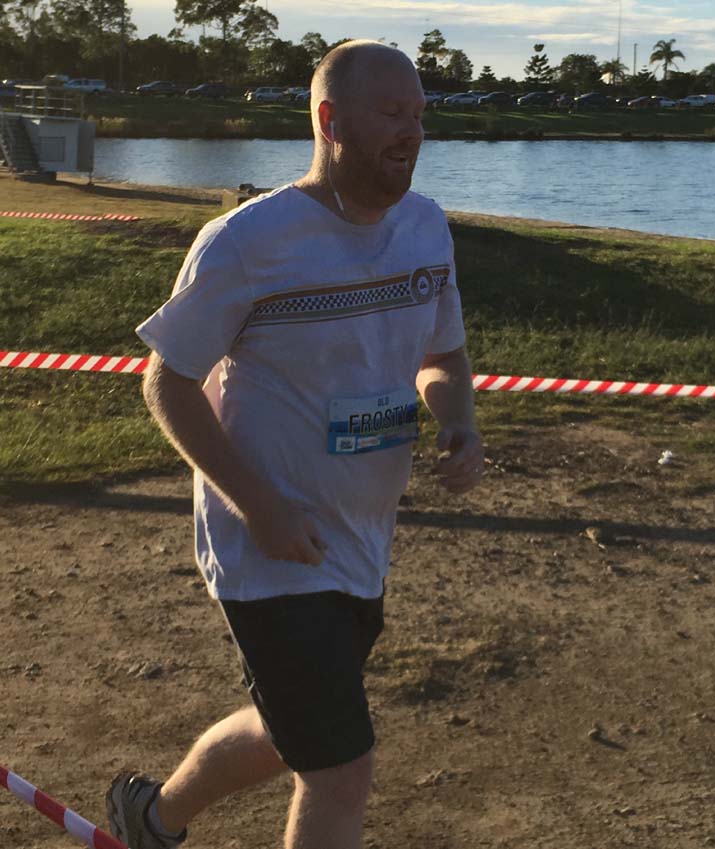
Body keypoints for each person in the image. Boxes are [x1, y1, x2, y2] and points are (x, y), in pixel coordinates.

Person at [105, 40, 484, 849]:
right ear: (329, 120)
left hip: (359, 541)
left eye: (419, 116)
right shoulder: (247, 242)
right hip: (268, 549)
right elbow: (167, 384)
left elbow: (442, 356)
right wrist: (263, 509)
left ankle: (152, 817)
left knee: (290, 730)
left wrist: (459, 419)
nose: (412, 132)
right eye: (391, 113)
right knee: (341, 766)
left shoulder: (425, 229)